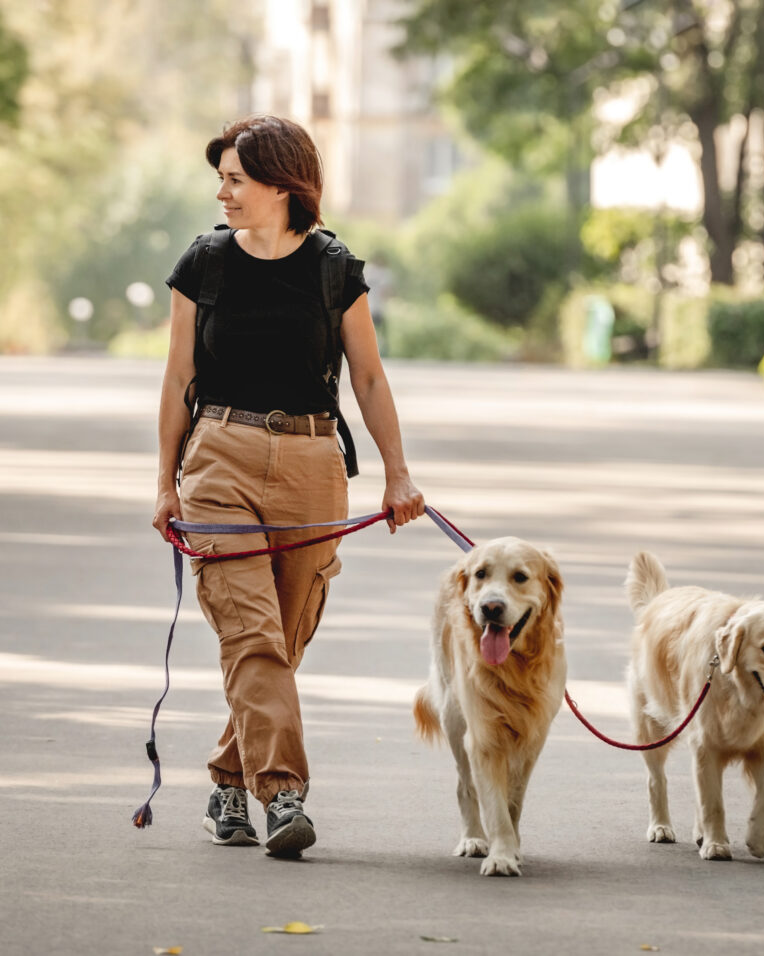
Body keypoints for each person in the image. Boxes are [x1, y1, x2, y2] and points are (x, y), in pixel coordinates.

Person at [152, 115, 424, 858]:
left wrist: (398, 472)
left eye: (237, 179)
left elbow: (367, 375)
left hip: (311, 464)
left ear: (282, 185)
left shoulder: (333, 268)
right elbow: (179, 377)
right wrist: (164, 483)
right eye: (224, 180)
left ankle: (226, 785)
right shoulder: (204, 262)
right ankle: (283, 793)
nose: (224, 192)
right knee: (252, 633)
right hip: (219, 458)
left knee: (282, 637)